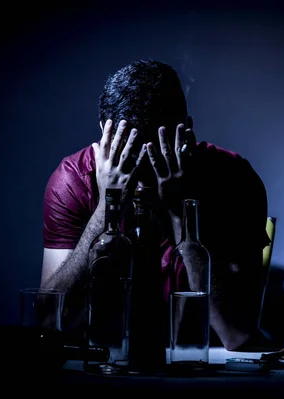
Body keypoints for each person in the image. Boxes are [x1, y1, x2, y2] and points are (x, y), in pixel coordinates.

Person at [40, 59, 270, 351]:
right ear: (103, 133)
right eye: (129, 155)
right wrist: (107, 207)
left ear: (186, 131)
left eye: (158, 158)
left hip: (205, 368)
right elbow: (49, 321)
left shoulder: (232, 178)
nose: (141, 177)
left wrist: (181, 212)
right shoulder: (74, 180)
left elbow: (237, 333)